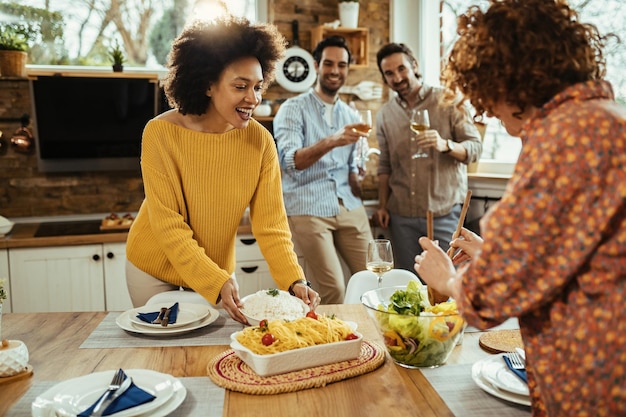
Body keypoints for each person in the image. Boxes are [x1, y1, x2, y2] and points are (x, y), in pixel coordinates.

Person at [414, 1, 626, 416]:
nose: (488, 112)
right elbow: (574, 251)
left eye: (489, 100)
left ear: (508, 80)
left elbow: (488, 302)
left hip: (591, 376)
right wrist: (492, 254)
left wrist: (449, 277)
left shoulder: (563, 136)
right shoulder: (605, 119)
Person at [125, 16, 320, 324]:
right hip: (153, 268)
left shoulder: (260, 142)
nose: (253, 98)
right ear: (207, 85)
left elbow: (271, 226)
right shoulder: (160, 133)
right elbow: (168, 223)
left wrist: (295, 280)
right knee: (165, 354)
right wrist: (214, 280)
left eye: (257, 86)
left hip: (215, 271)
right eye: (240, 86)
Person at [273, 36, 373, 304]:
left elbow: (352, 169)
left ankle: (374, 343)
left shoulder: (352, 116)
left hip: (348, 205)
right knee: (335, 291)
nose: (335, 71)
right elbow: (291, 161)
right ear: (317, 66)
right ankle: (336, 345)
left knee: (374, 282)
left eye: (342, 65)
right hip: (308, 205)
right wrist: (333, 140)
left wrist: (359, 173)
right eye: (329, 63)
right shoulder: (292, 109)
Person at [374, 42, 482, 273]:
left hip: (443, 212)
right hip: (401, 216)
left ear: (414, 65)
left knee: (446, 282)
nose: (397, 77)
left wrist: (445, 145)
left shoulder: (448, 100)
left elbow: (475, 148)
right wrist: (383, 206)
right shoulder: (385, 115)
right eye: (389, 73)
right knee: (409, 283)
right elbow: (385, 165)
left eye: (401, 68)